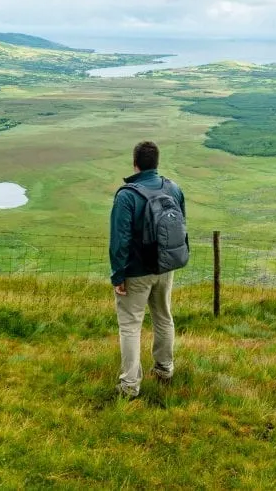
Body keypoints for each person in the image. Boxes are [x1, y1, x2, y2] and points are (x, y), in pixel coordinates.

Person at [109, 140, 187, 398]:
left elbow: (120, 241)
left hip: (136, 272)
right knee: (163, 317)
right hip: (165, 268)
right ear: (156, 163)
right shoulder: (173, 188)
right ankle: (165, 369)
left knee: (131, 326)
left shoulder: (127, 195)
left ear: (135, 163)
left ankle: (130, 385)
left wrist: (118, 275)